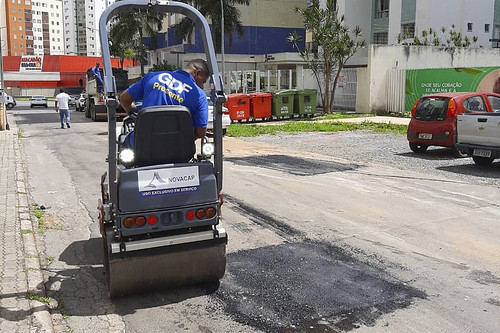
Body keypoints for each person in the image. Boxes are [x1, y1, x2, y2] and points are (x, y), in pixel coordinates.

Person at [120, 59, 210, 142]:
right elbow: (200, 132)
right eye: (203, 82)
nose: (202, 86)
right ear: (198, 73)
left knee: (124, 139)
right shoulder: (199, 95)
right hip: (179, 151)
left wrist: (130, 108)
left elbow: (124, 99)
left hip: (143, 146)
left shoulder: (152, 77)